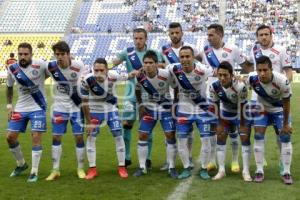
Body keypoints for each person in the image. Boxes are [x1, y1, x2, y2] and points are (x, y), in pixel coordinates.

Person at [198, 23, 253, 172]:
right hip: (212, 96)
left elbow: (247, 68)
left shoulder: (232, 49)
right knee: (213, 131)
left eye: (211, 35)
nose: (208, 38)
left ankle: (235, 161)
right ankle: (212, 161)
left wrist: (244, 78)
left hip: (230, 97)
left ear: (220, 34)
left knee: (233, 131)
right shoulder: (205, 50)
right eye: (207, 35)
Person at [112, 28, 164, 168]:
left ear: (146, 39)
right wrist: (110, 67)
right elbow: (112, 63)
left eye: (141, 38)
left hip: (147, 96)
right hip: (130, 95)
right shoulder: (127, 52)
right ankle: (127, 157)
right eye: (135, 38)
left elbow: (164, 66)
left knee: (146, 127)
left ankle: (147, 158)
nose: (138, 41)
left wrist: (146, 68)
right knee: (127, 125)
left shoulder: (153, 54)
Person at [81, 58, 137, 179]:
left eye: (101, 70)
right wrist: (89, 122)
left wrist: (136, 72)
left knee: (118, 136)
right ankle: (92, 169)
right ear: (92, 69)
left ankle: (122, 168)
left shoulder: (114, 76)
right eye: (96, 70)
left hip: (111, 110)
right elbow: (84, 102)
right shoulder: (87, 80)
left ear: (107, 70)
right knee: (91, 138)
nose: (98, 73)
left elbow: (128, 75)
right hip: (94, 112)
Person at [249, 24, 293, 174]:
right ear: (257, 37)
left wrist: (281, 87)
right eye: (260, 35)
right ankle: (261, 161)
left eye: (266, 34)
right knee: (259, 132)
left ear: (271, 35)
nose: (263, 37)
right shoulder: (253, 50)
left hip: (276, 97)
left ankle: (282, 161)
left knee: (279, 132)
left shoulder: (280, 50)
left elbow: (288, 71)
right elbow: (250, 70)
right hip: (257, 98)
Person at [168, 46, 214, 179]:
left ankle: (204, 169)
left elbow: (218, 73)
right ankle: (186, 167)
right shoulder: (174, 69)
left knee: (206, 140)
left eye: (187, 56)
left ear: (193, 57)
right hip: (183, 111)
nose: (185, 59)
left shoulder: (203, 69)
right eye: (182, 57)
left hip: (202, 111)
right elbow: (162, 72)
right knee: (181, 141)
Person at [6, 42, 48, 182]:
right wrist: (9, 105)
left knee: (35, 136)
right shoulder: (12, 68)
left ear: (31, 54)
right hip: (20, 107)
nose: (22, 57)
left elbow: (50, 74)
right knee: (10, 137)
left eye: (25, 54)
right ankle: (21, 164)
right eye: (20, 54)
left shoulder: (41, 64)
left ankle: (34, 172)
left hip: (37, 106)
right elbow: (9, 87)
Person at [45, 41, 88, 181]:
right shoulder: (51, 67)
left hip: (76, 107)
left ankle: (80, 168)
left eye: (62, 54)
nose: (59, 57)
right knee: (56, 137)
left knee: (79, 137)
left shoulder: (79, 66)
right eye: (57, 54)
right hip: (59, 107)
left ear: (69, 54)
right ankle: (55, 169)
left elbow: (85, 83)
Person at [160, 22, 199, 171]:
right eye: (172, 33)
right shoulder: (164, 50)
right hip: (169, 96)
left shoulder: (191, 48)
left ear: (182, 33)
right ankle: (169, 160)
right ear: (169, 34)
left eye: (177, 32)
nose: (175, 35)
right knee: (169, 130)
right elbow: (163, 68)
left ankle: (188, 157)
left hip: (187, 95)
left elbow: (200, 64)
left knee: (187, 129)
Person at [133, 50, 177, 178]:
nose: (147, 65)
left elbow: (176, 87)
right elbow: (137, 90)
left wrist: (175, 105)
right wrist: (140, 104)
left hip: (166, 108)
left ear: (156, 64)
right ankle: (142, 167)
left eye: (150, 63)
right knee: (142, 135)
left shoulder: (166, 74)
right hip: (149, 109)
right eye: (145, 63)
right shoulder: (140, 76)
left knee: (170, 135)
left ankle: (172, 166)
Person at [209, 61, 251, 182]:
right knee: (221, 137)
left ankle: (246, 171)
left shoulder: (240, 87)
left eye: (225, 75)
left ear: (232, 75)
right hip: (224, 113)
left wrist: (242, 125)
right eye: (219, 75)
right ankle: (221, 170)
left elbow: (243, 106)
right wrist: (219, 124)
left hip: (239, 113)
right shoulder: (214, 86)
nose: (222, 78)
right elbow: (216, 106)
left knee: (245, 138)